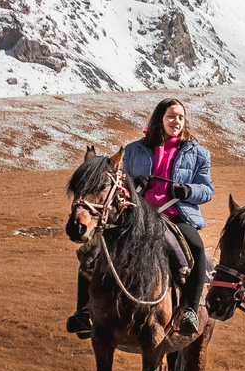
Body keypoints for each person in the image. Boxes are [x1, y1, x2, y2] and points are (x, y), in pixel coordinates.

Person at [71, 99, 214, 342]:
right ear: (159, 118)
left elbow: (207, 189)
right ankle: (83, 313)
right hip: (138, 217)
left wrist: (188, 191)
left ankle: (190, 311)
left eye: (180, 117)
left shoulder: (198, 153)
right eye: (171, 116)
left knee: (197, 250)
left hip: (175, 216)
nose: (176, 121)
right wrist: (135, 186)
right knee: (91, 252)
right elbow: (121, 185)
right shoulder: (135, 149)